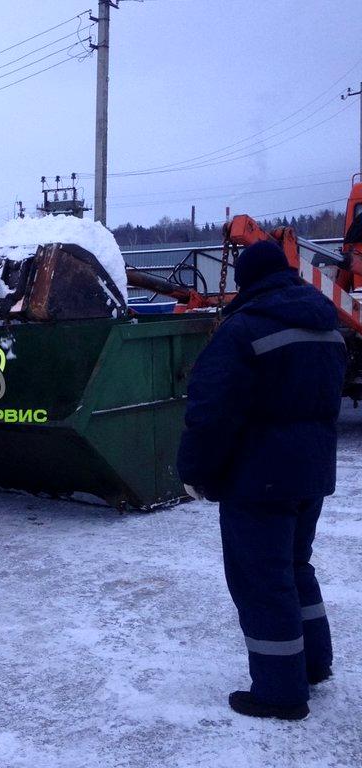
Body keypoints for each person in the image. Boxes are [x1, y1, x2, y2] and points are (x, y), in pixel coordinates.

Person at [177, 239, 347, 721]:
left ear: (246, 280)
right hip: (311, 475)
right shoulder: (326, 326)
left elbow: (210, 414)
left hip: (258, 479)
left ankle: (279, 692)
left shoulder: (243, 330)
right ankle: (313, 665)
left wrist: (196, 473)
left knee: (262, 581)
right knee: (296, 568)